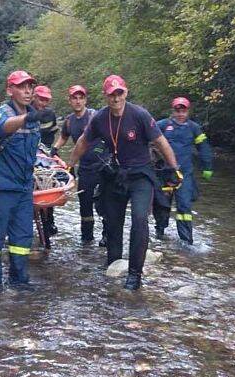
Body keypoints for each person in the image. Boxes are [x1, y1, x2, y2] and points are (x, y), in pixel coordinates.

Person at [68, 75, 180, 290]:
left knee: (139, 219)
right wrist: (70, 166)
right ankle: (112, 264)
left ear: (125, 93)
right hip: (115, 174)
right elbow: (83, 142)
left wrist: (174, 168)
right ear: (106, 96)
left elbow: (160, 141)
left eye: (119, 93)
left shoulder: (139, 115)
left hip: (141, 175)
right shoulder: (100, 118)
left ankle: (134, 275)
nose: (116, 98)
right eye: (111, 94)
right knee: (112, 221)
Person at [0, 70, 55, 288]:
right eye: (21, 86)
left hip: (23, 189)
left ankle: (19, 281)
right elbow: (0, 127)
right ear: (9, 90)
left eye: (30, 86)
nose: (27, 91)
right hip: (0, 190)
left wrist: (52, 158)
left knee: (22, 239)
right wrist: (26, 118)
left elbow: (36, 151)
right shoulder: (1, 113)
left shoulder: (34, 116)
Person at [51, 85, 108, 245]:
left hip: (102, 165)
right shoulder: (69, 121)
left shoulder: (94, 116)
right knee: (85, 202)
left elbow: (109, 134)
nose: (78, 101)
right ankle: (87, 238)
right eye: (74, 98)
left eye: (80, 98)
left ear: (85, 100)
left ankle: (106, 235)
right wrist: (55, 149)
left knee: (104, 202)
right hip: (84, 167)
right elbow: (63, 137)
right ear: (70, 100)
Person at [152, 97, 213, 245]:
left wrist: (207, 166)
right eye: (177, 110)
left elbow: (203, 147)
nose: (180, 113)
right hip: (164, 174)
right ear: (173, 111)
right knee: (161, 205)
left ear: (188, 111)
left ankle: (186, 241)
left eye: (183, 110)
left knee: (184, 206)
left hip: (184, 174)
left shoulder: (194, 128)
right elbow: (148, 136)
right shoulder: (163, 125)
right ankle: (160, 233)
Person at [32, 85, 59, 236]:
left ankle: (50, 220)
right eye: (40, 99)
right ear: (34, 97)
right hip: (28, 152)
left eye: (46, 100)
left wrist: (50, 152)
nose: (43, 103)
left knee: (50, 183)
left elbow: (51, 135)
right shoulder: (25, 111)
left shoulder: (50, 114)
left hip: (44, 153)